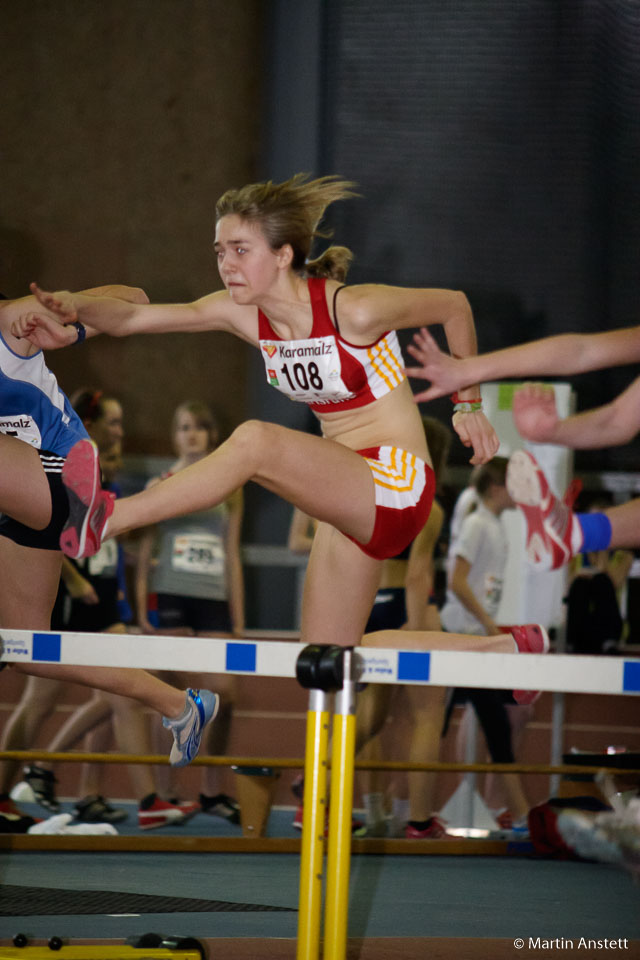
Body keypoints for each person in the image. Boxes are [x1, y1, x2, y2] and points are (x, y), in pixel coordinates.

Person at [22, 173, 501, 668]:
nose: (225, 265)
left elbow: (454, 306)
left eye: (240, 250)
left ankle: (109, 518)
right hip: (348, 490)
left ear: (283, 255)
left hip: (398, 482)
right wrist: (76, 307)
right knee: (324, 660)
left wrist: (468, 405)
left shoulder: (354, 310)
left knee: (255, 441)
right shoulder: (243, 315)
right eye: (219, 252)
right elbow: (133, 319)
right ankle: (504, 649)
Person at [0, 288, 218, 818]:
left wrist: (71, 309)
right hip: (22, 503)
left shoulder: (9, 322)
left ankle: (90, 503)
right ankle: (178, 705)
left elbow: (135, 297)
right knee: (29, 648)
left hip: (55, 473)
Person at [403, 325, 640, 569]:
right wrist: (553, 431)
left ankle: (576, 533)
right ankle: (576, 533)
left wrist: (469, 370)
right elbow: (618, 418)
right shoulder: (477, 521)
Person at [135, 400, 244, 824]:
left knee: (225, 691)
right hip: (171, 593)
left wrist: (238, 615)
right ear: (175, 436)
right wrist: (142, 604)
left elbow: (232, 552)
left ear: (212, 434)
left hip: (213, 597)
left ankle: (212, 790)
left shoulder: (230, 484)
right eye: (184, 427)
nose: (192, 433)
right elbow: (146, 548)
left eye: (199, 426)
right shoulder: (160, 482)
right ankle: (166, 793)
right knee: (168, 691)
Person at [439, 457, 532, 830]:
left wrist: (488, 627)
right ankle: (521, 815)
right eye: (514, 483)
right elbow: (457, 581)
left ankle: (520, 814)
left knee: (498, 723)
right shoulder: (477, 524)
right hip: (461, 638)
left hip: (476, 638)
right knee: (442, 725)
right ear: (496, 488)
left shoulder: (494, 525)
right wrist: (490, 625)